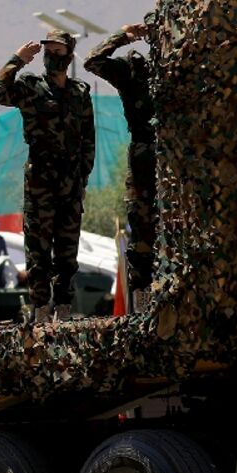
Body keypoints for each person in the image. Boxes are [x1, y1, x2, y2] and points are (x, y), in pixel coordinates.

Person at [0, 29, 95, 323]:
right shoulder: (29, 87)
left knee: (67, 251)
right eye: (48, 51)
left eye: (58, 52)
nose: (52, 56)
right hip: (40, 182)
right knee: (38, 250)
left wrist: (82, 179)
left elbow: (88, 140)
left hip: (70, 183)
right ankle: (41, 310)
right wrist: (17, 60)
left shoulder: (80, 93)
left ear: (69, 56)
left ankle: (63, 308)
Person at [84, 23, 156, 313]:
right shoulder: (133, 71)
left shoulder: (176, 70)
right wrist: (123, 38)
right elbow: (93, 61)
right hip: (144, 153)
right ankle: (140, 302)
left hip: (174, 156)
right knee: (141, 229)